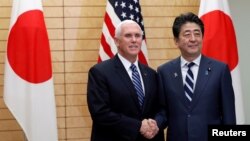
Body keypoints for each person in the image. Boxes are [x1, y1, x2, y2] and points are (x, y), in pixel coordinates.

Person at [157, 12, 236, 141]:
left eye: (197, 33)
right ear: (176, 41)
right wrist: (154, 125)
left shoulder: (220, 70)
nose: (193, 39)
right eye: (187, 34)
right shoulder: (164, 72)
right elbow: (163, 112)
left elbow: (229, 116)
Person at [87, 20, 167, 141]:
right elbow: (100, 113)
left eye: (138, 35)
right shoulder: (99, 72)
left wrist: (156, 124)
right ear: (117, 41)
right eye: (128, 35)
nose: (134, 40)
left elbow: (162, 108)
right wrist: (138, 126)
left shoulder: (151, 74)